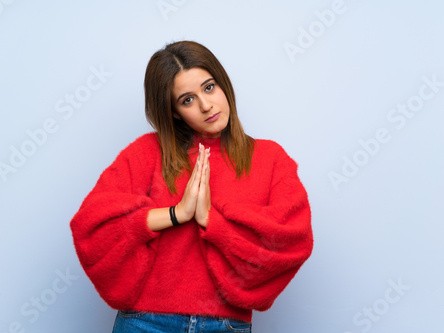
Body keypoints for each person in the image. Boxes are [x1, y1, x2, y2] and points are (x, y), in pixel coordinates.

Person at [70, 40, 313, 333]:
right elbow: (93, 228)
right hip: (145, 322)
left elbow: (290, 241)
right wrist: (177, 214)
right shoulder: (147, 152)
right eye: (187, 100)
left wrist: (211, 221)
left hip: (226, 325)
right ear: (174, 112)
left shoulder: (271, 159)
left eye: (209, 87)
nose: (206, 105)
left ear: (223, 84)